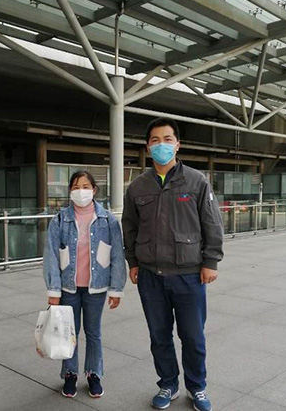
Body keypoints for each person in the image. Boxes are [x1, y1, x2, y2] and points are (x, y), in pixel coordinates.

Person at [122, 118, 223, 411]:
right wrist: (133, 262)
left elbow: (212, 223)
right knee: (159, 336)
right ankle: (168, 384)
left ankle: (197, 387)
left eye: (168, 139)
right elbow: (129, 226)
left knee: (193, 336)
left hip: (189, 275)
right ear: (147, 147)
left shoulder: (196, 181)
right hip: (150, 275)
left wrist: (211, 261)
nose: (161, 145)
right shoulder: (138, 186)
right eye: (155, 140)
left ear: (178, 145)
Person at [43, 170, 126, 399]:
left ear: (94, 190)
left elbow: (117, 255)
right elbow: (51, 255)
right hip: (68, 287)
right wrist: (53, 289)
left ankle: (93, 374)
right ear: (70, 191)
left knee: (93, 333)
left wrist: (116, 289)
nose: (81, 191)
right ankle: (70, 374)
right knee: (69, 332)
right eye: (76, 187)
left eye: (86, 186)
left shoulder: (107, 220)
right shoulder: (60, 219)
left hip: (96, 288)